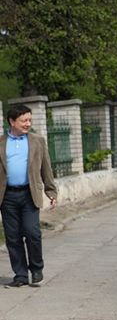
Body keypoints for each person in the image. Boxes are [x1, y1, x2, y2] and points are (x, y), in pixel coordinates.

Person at [1, 105, 58, 287]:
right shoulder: (1, 142)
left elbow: (46, 168)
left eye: (29, 120)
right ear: (12, 121)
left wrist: (51, 192)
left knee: (32, 232)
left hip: (29, 194)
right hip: (7, 197)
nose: (28, 124)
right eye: (24, 120)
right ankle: (20, 275)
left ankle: (36, 269)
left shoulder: (37, 141)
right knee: (12, 237)